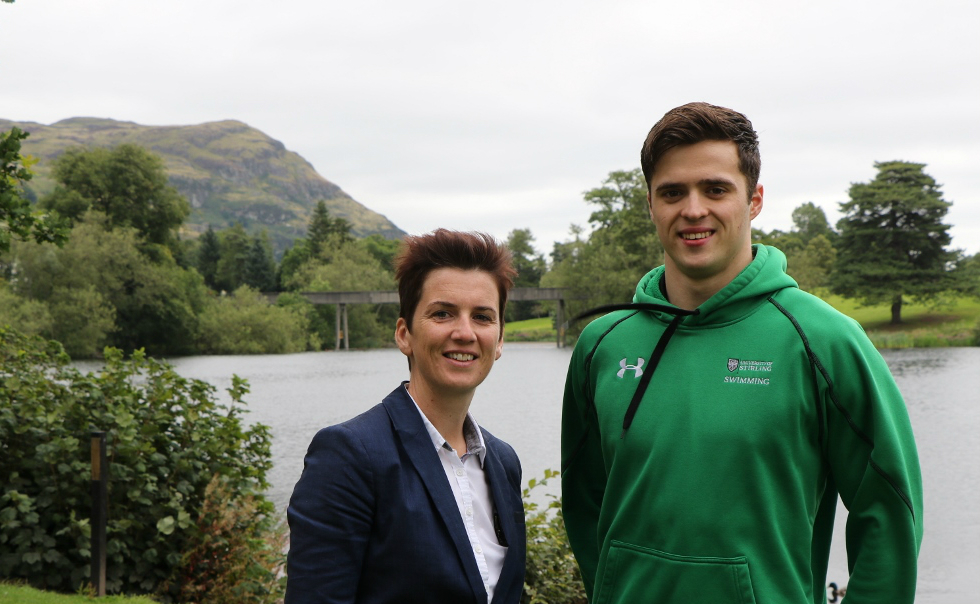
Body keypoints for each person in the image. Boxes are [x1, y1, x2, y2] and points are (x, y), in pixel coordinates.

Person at [561, 102, 923, 603]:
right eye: (672, 192)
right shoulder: (603, 345)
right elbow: (584, 503)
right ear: (650, 204)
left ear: (753, 200)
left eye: (715, 189)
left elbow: (888, 510)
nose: (693, 210)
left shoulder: (826, 341)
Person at [286, 229, 526, 604]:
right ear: (404, 335)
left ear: (499, 342)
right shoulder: (349, 455)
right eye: (442, 313)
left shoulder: (503, 461)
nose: (464, 332)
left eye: (482, 317)